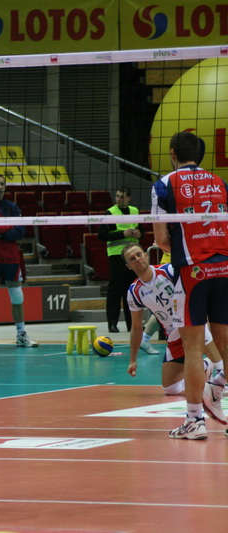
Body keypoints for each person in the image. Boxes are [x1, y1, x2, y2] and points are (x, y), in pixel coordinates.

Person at [152, 131, 228, 439]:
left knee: (194, 349)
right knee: (225, 345)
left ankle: (195, 420)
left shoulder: (163, 184)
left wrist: (188, 251)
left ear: (172, 153)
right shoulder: (220, 182)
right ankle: (217, 391)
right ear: (200, 154)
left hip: (192, 272)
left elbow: (161, 239)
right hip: (224, 267)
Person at [123, 243, 222, 395]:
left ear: (146, 255)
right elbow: (136, 328)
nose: (137, 259)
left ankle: (222, 376)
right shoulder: (134, 292)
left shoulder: (168, 270)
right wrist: (132, 360)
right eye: (132, 258)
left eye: (139, 254)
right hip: (172, 335)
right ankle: (205, 366)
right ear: (128, 266)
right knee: (170, 389)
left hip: (189, 322)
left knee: (197, 328)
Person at [0, 174, 38, 349]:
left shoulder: (13, 207)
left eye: (2, 184)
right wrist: (8, 227)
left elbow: (20, 232)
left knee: (17, 296)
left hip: (11, 256)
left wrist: (0, 232)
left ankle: (21, 335)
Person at [99, 186, 141, 333]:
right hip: (117, 255)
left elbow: (140, 230)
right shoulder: (110, 212)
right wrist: (122, 234)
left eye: (122, 197)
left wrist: (139, 234)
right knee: (115, 290)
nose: (118, 199)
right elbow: (102, 235)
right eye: (117, 196)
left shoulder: (135, 211)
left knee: (131, 290)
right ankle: (112, 323)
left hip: (133, 256)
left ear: (129, 198)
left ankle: (132, 325)